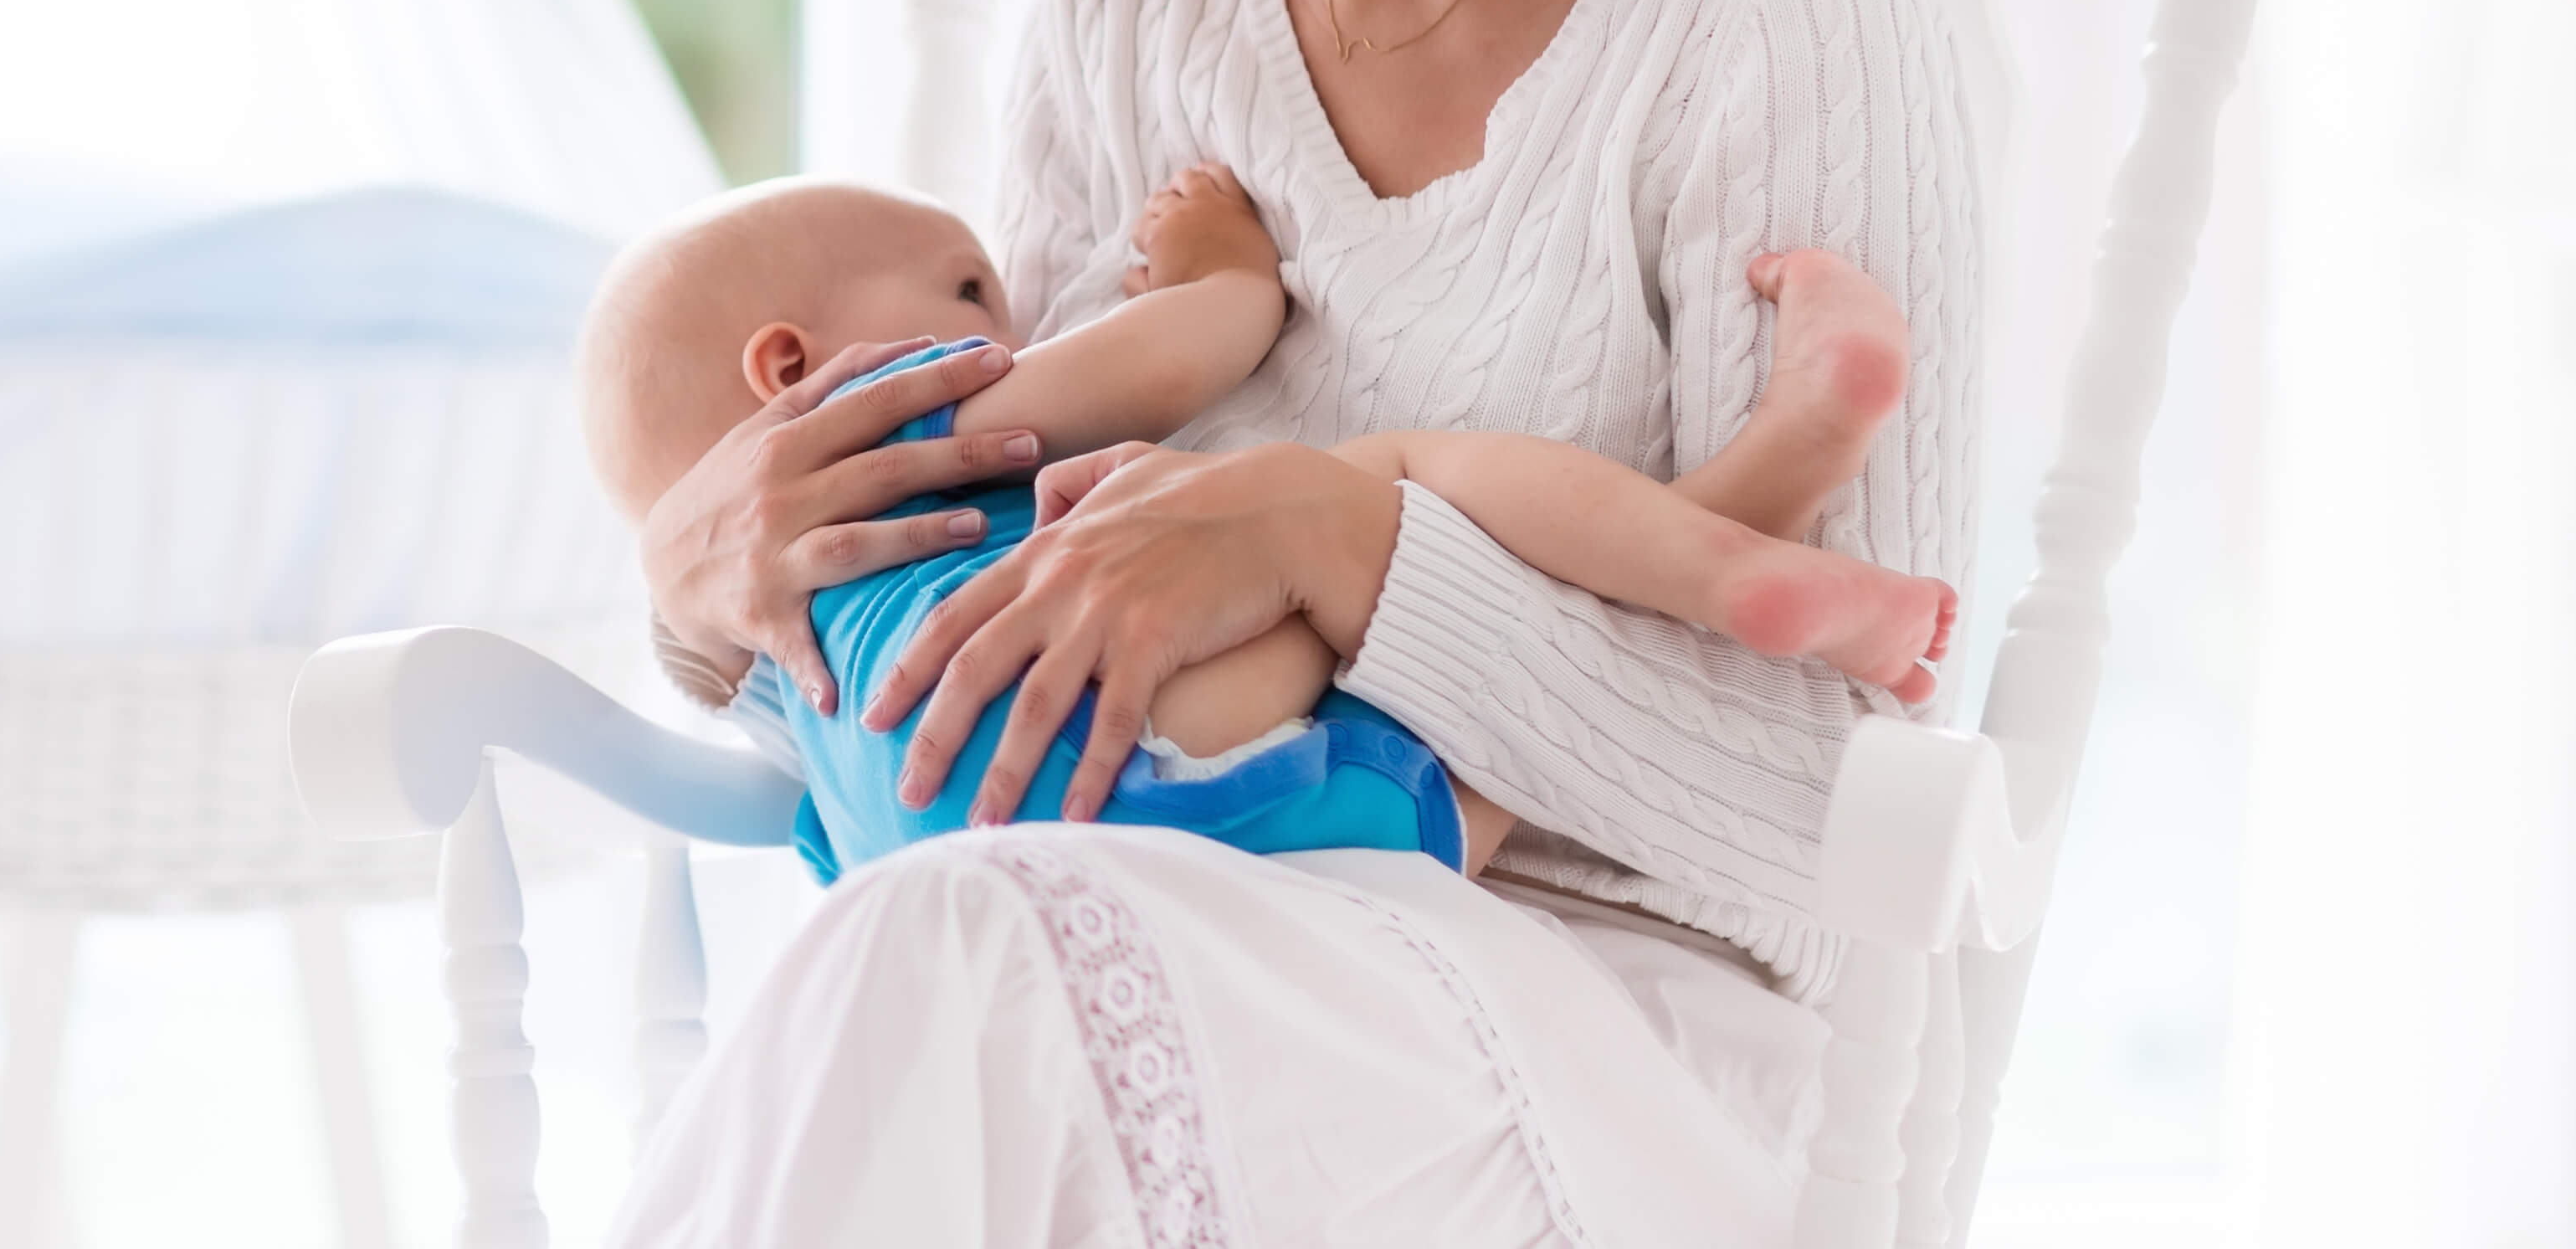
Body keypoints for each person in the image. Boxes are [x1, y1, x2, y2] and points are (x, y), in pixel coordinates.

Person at [616, 0, 1978, 1247]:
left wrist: (1358, 546)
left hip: (1639, 1038)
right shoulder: (1128, 4)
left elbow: (1824, 818)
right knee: (958, 959)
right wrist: (707, 585)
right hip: (1183, 944)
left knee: (951, 963)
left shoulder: (1775, 17)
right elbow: (1020, 587)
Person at [577, 167, 1943, 883]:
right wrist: (1222, 272)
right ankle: (1749, 518)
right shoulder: (887, 417)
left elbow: (844, 848)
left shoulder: (774, 681)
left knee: (1502, 772)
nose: (1018, 328)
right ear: (790, 370)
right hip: (1131, 723)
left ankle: (1758, 502)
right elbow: (1198, 346)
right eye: (970, 290)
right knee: (1391, 485)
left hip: (990, 860)